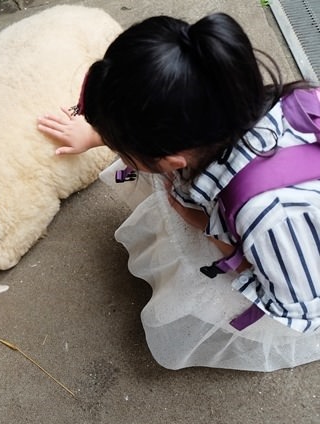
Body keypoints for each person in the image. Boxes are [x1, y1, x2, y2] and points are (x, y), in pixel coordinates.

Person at [38, 12, 320, 371]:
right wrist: (99, 134)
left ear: (173, 159)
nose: (119, 155)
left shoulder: (268, 216)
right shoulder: (230, 96)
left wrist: (209, 230)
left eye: (121, 148)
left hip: (296, 267)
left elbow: (299, 304)